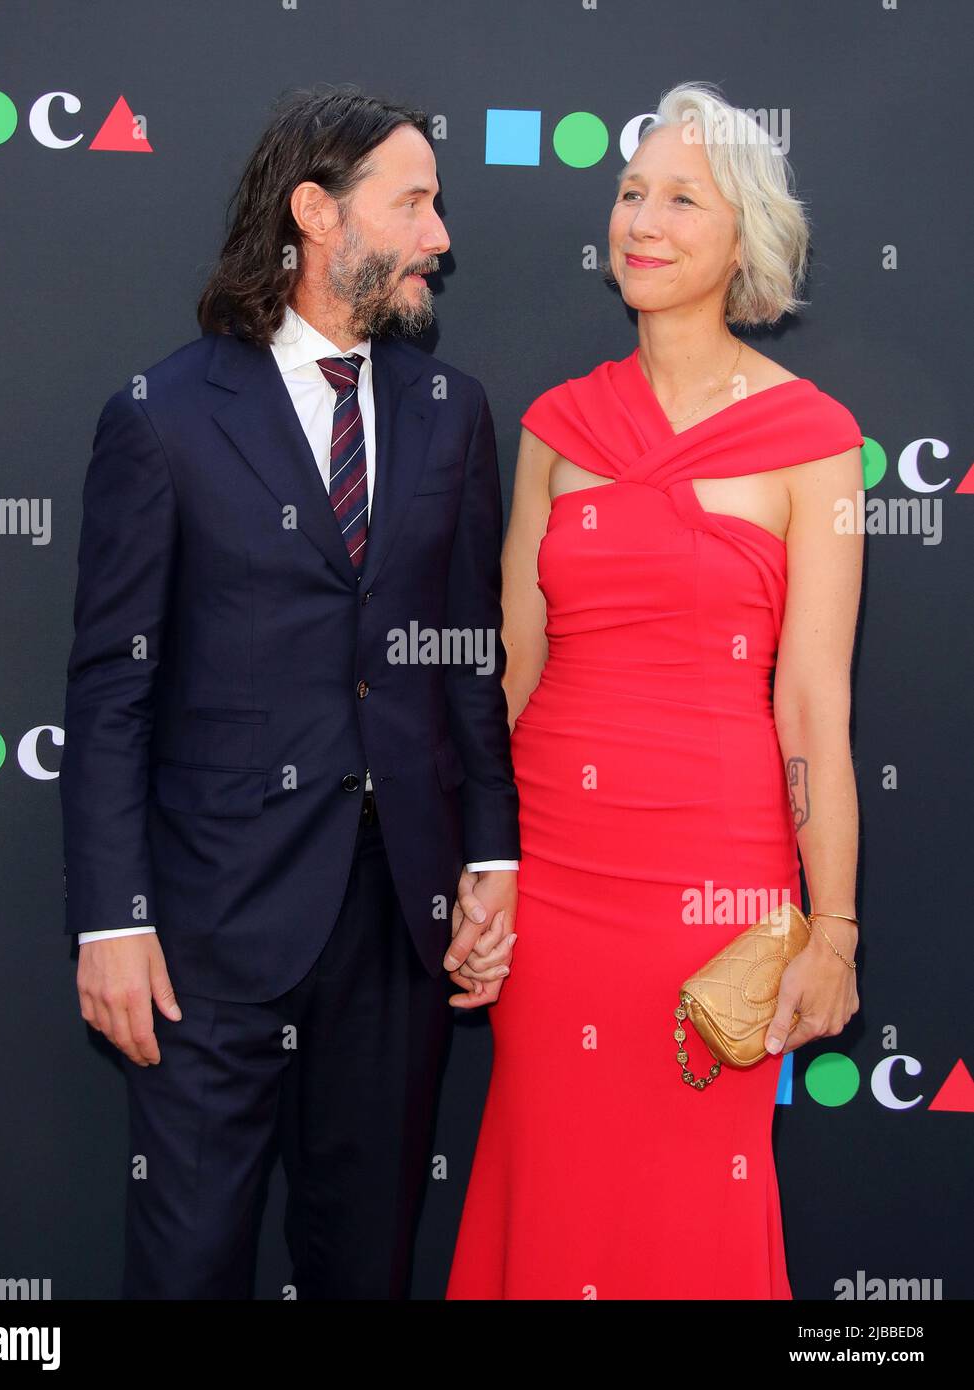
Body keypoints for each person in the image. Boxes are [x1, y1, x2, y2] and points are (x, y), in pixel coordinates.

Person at [59, 84, 520, 1300]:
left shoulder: (452, 413)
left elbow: (466, 652)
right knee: (191, 1263)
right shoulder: (163, 419)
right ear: (317, 212)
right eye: (413, 204)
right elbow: (110, 695)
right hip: (208, 929)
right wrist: (110, 920)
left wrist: (491, 854)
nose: (439, 237)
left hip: (397, 920)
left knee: (365, 1262)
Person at [446, 81, 863, 1300]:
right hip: (554, 877)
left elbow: (813, 703)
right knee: (554, 1174)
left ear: (747, 240)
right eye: (633, 192)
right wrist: (480, 865)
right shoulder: (559, 425)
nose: (643, 220)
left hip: (717, 889)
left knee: (692, 1198)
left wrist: (834, 928)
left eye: (684, 198)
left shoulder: (814, 439)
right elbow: (511, 670)